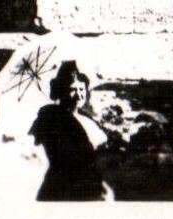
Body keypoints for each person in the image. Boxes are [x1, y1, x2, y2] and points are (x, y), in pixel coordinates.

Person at [29, 60, 112, 201]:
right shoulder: (50, 117)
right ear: (61, 90)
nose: (79, 94)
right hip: (63, 184)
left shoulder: (87, 119)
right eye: (73, 89)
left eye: (82, 89)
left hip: (89, 181)